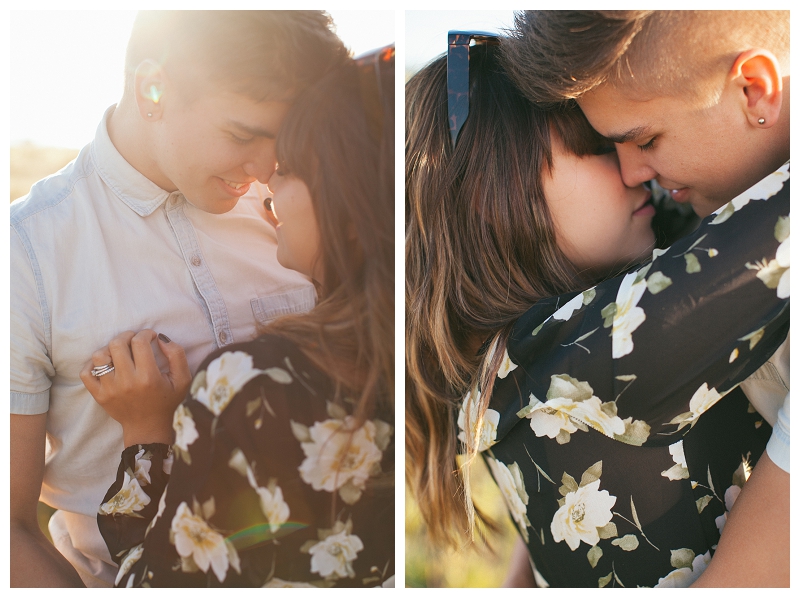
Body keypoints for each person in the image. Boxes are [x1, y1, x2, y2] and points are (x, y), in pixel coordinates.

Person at [405, 38, 788, 588]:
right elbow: (781, 230)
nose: (636, 171)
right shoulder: (598, 349)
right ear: (500, 194)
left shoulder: (499, 358)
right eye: (596, 146)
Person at [10, 10, 349, 587]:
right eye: (243, 135)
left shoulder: (299, 211)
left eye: (282, 137)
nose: (265, 166)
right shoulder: (26, 254)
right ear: (152, 90)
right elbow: (7, 529)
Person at [79, 45, 395, 588]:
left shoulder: (251, 384)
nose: (267, 183)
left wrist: (146, 436)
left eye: (289, 168)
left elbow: (154, 583)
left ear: (349, 200)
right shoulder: (424, 348)